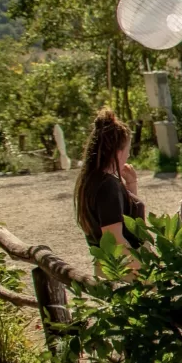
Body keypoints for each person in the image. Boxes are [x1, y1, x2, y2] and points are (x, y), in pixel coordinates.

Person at [74, 108, 145, 255]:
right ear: (118, 153)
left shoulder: (92, 180)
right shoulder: (107, 186)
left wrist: (131, 184)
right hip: (125, 269)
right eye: (128, 150)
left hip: (110, 266)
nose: (129, 155)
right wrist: (147, 267)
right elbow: (115, 241)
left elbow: (125, 218)